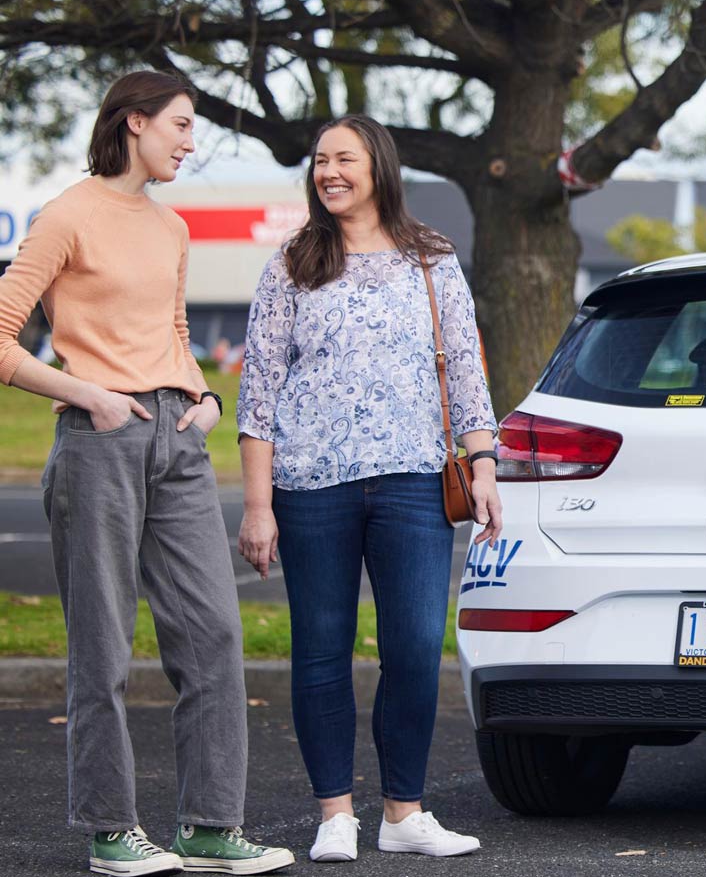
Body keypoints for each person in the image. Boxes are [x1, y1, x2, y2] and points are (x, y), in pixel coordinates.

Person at [0, 70, 293, 876]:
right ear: (134, 123)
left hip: (178, 438)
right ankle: (110, 830)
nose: (191, 142)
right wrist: (85, 393)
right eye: (182, 124)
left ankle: (210, 826)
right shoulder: (67, 215)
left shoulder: (171, 228)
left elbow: (171, 327)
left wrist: (201, 395)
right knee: (102, 643)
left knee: (214, 632)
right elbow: (2, 339)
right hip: (99, 437)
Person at [235, 114, 501, 863]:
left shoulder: (431, 258)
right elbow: (258, 393)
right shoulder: (292, 262)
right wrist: (258, 507)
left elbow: (465, 367)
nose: (329, 172)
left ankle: (404, 813)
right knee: (321, 649)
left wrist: (482, 464)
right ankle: (334, 816)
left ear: (377, 165)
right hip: (310, 486)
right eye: (320, 162)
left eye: (343, 158)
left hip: (415, 482)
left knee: (416, 648)